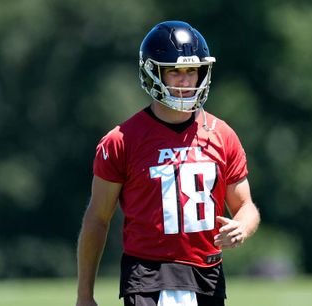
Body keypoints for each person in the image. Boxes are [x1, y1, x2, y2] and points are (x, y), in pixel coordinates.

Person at [76, 20, 261, 306]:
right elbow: (97, 218)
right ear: (152, 72)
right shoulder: (121, 140)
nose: (185, 81)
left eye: (192, 71)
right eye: (174, 71)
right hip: (147, 274)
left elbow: (245, 206)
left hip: (207, 274)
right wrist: (85, 294)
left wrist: (242, 228)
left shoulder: (222, 134)